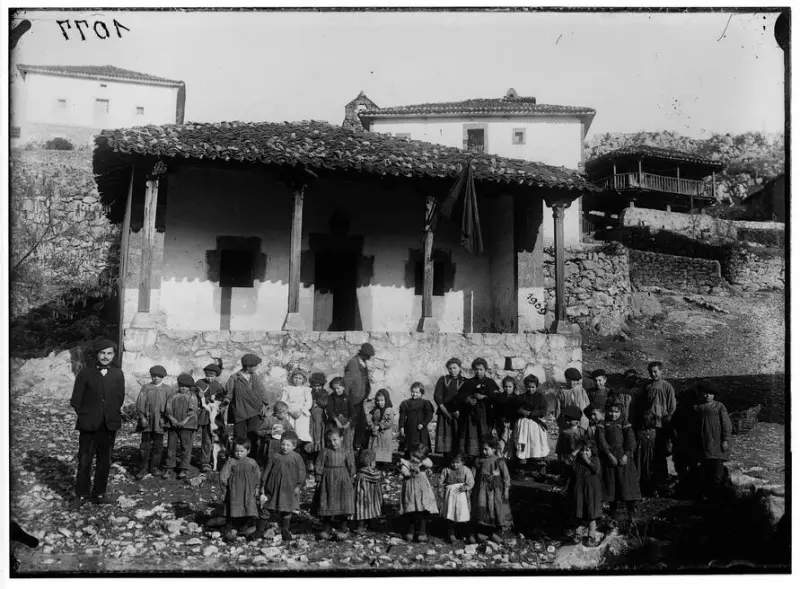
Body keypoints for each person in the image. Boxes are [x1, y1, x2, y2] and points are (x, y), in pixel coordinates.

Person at [69, 339, 126, 509]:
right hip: (89, 425)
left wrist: (110, 413)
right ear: (96, 354)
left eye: (109, 353)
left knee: (104, 461)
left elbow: (119, 398)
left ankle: (99, 493)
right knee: (85, 460)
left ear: (114, 355)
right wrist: (87, 416)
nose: (105, 356)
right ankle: (80, 494)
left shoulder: (118, 374)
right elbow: (75, 400)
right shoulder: (85, 373)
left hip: (108, 426)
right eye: (102, 353)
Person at [598, 401, 641, 525]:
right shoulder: (603, 424)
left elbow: (631, 440)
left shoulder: (624, 423)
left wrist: (627, 454)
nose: (613, 414)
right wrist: (609, 455)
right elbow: (602, 441)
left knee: (626, 485)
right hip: (609, 459)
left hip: (623, 459)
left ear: (621, 412)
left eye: (616, 412)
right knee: (612, 486)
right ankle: (613, 515)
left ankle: (631, 514)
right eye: (611, 411)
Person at [259, 431, 307, 541]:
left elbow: (302, 472)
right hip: (273, 486)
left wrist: (298, 486)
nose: (284, 447)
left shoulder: (297, 457)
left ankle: (285, 530)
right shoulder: (275, 456)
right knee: (267, 506)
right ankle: (260, 529)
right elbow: (267, 470)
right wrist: (263, 483)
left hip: (289, 488)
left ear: (294, 446)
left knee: (287, 508)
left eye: (288, 445)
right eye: (283, 444)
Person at [690, 380, 733, 501]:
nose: (708, 396)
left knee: (717, 471)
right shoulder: (697, 407)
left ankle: (717, 496)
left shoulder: (719, 406)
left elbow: (726, 424)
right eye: (705, 393)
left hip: (717, 443)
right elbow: (693, 427)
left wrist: (726, 440)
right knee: (705, 470)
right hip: (703, 443)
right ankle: (707, 495)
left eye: (710, 393)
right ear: (701, 394)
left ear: (714, 395)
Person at [225, 354, 272, 459]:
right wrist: (226, 400)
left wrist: (265, 404)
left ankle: (252, 458)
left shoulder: (255, 377)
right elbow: (229, 393)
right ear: (248, 367)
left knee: (253, 435)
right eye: (255, 366)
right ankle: (237, 457)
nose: (256, 368)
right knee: (239, 436)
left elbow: (262, 390)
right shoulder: (234, 378)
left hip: (255, 410)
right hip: (240, 411)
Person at [313, 427, 356, 540]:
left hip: (343, 480)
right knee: (327, 501)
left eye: (335, 439)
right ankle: (326, 528)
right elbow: (319, 465)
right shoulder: (325, 451)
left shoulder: (346, 451)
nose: (332, 443)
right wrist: (318, 479)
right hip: (328, 480)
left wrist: (351, 479)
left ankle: (342, 529)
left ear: (341, 438)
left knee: (344, 502)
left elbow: (351, 465)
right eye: (329, 440)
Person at [642, 361, 676, 491]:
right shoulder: (647, 387)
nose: (653, 374)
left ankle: (662, 481)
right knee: (650, 453)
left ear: (661, 371)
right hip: (649, 425)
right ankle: (651, 481)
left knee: (661, 452)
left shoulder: (667, 387)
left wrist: (667, 420)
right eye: (651, 372)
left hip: (661, 425)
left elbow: (672, 407)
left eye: (655, 371)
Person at [472, 436, 513, 542]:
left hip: (496, 491)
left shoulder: (499, 461)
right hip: (482, 490)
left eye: (486, 449)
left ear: (494, 449)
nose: (483, 451)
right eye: (482, 449)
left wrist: (506, 489)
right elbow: (473, 475)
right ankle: (483, 531)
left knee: (496, 507)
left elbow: (506, 477)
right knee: (482, 507)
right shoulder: (479, 461)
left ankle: (498, 531)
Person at [456, 358, 497, 461]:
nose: (478, 372)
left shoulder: (490, 383)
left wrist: (484, 397)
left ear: (485, 370)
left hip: (485, 416)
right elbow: (459, 397)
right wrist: (468, 399)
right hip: (471, 417)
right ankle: (471, 459)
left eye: (481, 369)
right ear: (473, 370)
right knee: (471, 435)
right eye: (476, 369)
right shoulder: (468, 382)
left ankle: (484, 459)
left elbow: (496, 398)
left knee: (483, 435)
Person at [220, 440, 261, 540]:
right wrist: (225, 489)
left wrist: (257, 488)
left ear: (248, 451)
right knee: (233, 508)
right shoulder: (231, 462)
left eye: (241, 451)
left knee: (248, 507)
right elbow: (223, 476)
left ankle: (246, 527)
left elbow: (257, 476)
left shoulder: (252, 462)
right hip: (234, 491)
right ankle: (231, 529)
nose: (238, 453)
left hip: (248, 491)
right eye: (236, 451)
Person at [134, 365, 170, 480]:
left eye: (159, 377)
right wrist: (142, 417)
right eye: (154, 376)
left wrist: (165, 418)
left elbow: (169, 406)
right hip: (147, 421)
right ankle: (143, 468)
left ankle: (154, 467)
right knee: (145, 445)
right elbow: (140, 403)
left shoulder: (167, 389)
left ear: (163, 377)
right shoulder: (146, 388)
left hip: (160, 422)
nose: (156, 378)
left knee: (158, 446)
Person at [565, 440, 603, 547]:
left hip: (591, 490)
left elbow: (596, 469)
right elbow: (567, 462)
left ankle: (591, 535)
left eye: (587, 450)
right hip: (579, 489)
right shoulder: (577, 461)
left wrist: (587, 460)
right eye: (582, 451)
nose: (584, 453)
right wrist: (576, 451)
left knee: (591, 513)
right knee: (579, 511)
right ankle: (578, 534)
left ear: (592, 452)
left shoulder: (594, 459)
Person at [399, 443, 439, 542]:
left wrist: (422, 461)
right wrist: (409, 473)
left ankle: (422, 532)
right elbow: (404, 471)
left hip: (422, 489)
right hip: (411, 487)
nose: (415, 459)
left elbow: (430, 463)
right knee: (411, 509)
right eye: (414, 456)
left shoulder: (424, 462)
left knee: (422, 509)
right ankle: (410, 531)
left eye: (418, 457)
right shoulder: (407, 462)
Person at [511, 374, 549, 475]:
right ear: (525, 386)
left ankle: (540, 464)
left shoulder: (541, 397)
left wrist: (531, 413)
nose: (530, 389)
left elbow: (543, 411)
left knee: (536, 443)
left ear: (536, 386)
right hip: (523, 424)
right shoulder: (521, 397)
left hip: (535, 424)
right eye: (528, 387)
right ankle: (522, 465)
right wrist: (520, 411)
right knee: (523, 443)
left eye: (532, 387)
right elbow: (515, 408)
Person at [164, 373, 199, 479]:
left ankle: (183, 467)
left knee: (186, 447)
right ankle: (169, 466)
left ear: (190, 387)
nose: (184, 388)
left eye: (186, 386)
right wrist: (171, 419)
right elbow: (167, 409)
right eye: (182, 386)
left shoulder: (192, 397)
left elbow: (193, 411)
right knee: (171, 447)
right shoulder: (173, 396)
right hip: (173, 425)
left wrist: (185, 421)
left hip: (187, 426)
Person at [344, 343, 375, 451]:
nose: (369, 357)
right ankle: (350, 446)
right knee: (353, 423)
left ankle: (358, 446)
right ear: (363, 353)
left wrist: (366, 392)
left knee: (362, 424)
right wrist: (347, 399)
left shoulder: (363, 362)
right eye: (367, 355)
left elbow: (365, 379)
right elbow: (347, 382)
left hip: (360, 398)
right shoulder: (353, 363)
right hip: (353, 399)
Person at [196, 361, 226, 473]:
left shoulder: (218, 387)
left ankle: (211, 461)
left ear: (216, 376)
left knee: (212, 439)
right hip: (200, 415)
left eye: (212, 376)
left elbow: (222, 402)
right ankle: (199, 461)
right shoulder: (199, 383)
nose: (209, 378)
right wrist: (199, 396)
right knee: (199, 438)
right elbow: (193, 396)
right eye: (207, 375)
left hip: (213, 417)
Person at [439, 451, 475, 544]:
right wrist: (440, 491)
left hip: (462, 496)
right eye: (453, 462)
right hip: (450, 496)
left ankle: (467, 533)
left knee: (464, 514)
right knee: (450, 514)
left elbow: (471, 482)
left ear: (463, 462)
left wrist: (466, 488)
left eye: (457, 462)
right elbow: (440, 482)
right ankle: (451, 534)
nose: (455, 465)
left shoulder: (466, 470)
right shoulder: (446, 470)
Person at [433, 358, 466, 457]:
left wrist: (459, 410)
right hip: (444, 413)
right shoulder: (443, 379)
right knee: (445, 437)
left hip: (458, 413)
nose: (452, 370)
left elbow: (465, 397)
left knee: (457, 436)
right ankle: (446, 460)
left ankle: (457, 460)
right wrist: (444, 410)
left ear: (460, 368)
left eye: (455, 368)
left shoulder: (464, 381)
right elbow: (437, 395)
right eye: (450, 368)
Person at [350, 449, 384, 535]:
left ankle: (365, 525)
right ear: (371, 463)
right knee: (364, 512)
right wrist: (381, 472)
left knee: (365, 511)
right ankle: (360, 528)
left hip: (364, 495)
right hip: (365, 496)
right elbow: (377, 476)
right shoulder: (367, 471)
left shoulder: (361, 470)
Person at [279, 368, 313, 452]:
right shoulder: (287, 389)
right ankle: (288, 450)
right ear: (292, 378)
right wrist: (289, 411)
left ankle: (300, 453)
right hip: (289, 414)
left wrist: (301, 411)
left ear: (303, 380)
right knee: (290, 433)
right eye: (295, 377)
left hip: (301, 415)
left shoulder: (306, 390)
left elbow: (309, 402)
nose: (297, 380)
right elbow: (283, 401)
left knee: (301, 434)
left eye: (300, 378)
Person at [399, 382, 434, 454]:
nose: (414, 394)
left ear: (421, 393)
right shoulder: (406, 403)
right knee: (409, 447)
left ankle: (421, 462)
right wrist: (401, 426)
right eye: (413, 392)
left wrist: (423, 424)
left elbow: (429, 415)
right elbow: (402, 415)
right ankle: (409, 461)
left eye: (417, 392)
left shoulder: (425, 403)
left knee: (421, 448)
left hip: (420, 429)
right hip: (410, 429)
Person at [257, 401, 294, 468]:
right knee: (268, 462)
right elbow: (259, 431)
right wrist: (269, 432)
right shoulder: (268, 420)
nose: (286, 415)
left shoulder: (285, 421)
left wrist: (284, 431)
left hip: (281, 445)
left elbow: (291, 431)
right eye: (285, 413)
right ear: (277, 413)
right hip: (269, 445)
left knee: (279, 462)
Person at [307, 372, 328, 475]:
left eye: (319, 385)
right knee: (311, 440)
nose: (316, 388)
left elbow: (325, 404)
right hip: (311, 421)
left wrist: (318, 401)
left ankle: (319, 463)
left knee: (320, 441)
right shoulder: (309, 393)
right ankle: (310, 462)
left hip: (320, 422)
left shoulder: (324, 394)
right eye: (314, 385)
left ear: (322, 385)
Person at [366, 388, 394, 466]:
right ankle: (374, 465)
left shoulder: (389, 410)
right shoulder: (374, 410)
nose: (380, 403)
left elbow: (389, 422)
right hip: (375, 435)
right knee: (375, 449)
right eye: (378, 401)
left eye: (382, 400)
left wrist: (380, 426)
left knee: (384, 450)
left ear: (386, 400)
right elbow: (369, 418)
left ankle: (385, 466)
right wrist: (371, 425)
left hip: (384, 434)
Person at [325, 377, 354, 451]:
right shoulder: (331, 397)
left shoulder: (348, 398)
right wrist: (337, 421)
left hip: (345, 423)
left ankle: (346, 459)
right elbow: (330, 410)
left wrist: (348, 422)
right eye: (334, 389)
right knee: (333, 440)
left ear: (343, 387)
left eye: (338, 388)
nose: (336, 390)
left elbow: (353, 412)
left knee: (346, 442)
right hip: (334, 423)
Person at [556, 406, 587, 470]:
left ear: (577, 421)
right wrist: (559, 458)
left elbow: (584, 444)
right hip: (567, 458)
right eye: (566, 419)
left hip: (579, 458)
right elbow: (559, 445)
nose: (567, 422)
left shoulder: (582, 431)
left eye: (570, 420)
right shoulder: (564, 432)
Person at [493, 376, 517, 455]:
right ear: (503, 387)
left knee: (511, 444)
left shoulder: (517, 398)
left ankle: (510, 464)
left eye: (510, 387)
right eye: (505, 387)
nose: (507, 389)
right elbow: (496, 412)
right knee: (501, 444)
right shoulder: (499, 398)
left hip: (512, 425)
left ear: (514, 387)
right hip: (501, 425)